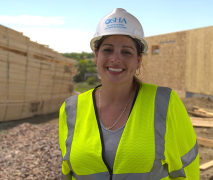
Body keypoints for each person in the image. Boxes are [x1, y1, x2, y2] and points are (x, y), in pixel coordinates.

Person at [59, 8, 199, 180]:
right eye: (107, 50)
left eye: (126, 52)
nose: (116, 59)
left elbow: (188, 171)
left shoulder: (164, 103)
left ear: (139, 60)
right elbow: (67, 173)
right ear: (96, 55)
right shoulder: (71, 109)